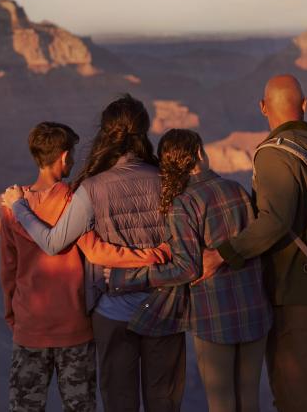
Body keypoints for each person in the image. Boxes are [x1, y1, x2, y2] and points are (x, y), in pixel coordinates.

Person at [5, 95, 185, 412]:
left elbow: (52, 244)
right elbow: (184, 243)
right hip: (163, 307)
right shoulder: (167, 182)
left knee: (118, 400)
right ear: (144, 130)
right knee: (163, 400)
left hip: (112, 311)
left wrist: (18, 206)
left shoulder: (90, 189)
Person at [208, 74, 307, 412]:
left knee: (296, 398)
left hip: (296, 292)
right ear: (304, 105)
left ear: (262, 108)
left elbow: (274, 222)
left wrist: (223, 254)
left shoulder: (274, 154)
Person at [106, 129, 271, 412]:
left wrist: (127, 277)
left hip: (213, 315)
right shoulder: (236, 190)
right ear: (198, 154)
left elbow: (185, 268)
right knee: (250, 400)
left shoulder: (184, 204)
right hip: (254, 309)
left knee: (222, 403)